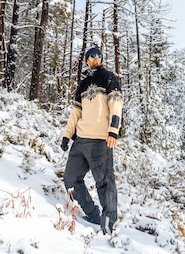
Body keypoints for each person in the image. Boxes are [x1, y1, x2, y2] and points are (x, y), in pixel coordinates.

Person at [61, 46, 123, 235]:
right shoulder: (83, 83)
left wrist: (113, 130)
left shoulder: (108, 77)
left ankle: (108, 224)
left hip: (100, 140)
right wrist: (66, 134)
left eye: (99, 55)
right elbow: (76, 113)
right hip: (80, 141)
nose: (97, 58)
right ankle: (93, 214)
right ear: (87, 59)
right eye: (93, 55)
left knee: (104, 182)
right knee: (70, 179)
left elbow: (116, 103)